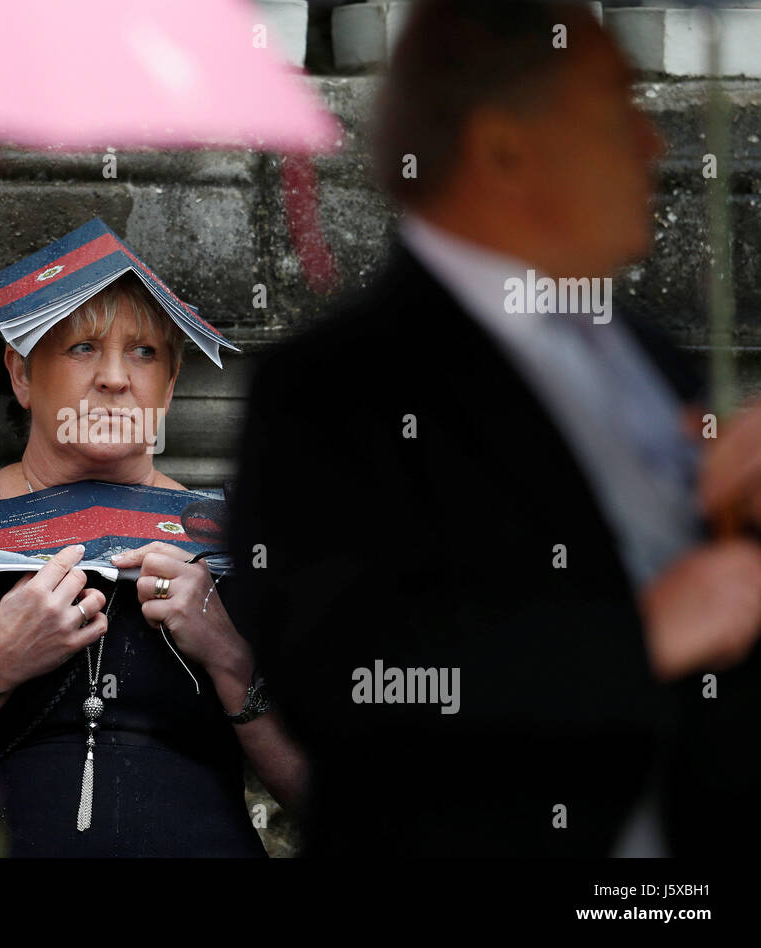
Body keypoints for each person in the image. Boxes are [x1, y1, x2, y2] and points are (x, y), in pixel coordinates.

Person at [226, 0, 761, 857]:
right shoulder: (332, 386)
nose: (653, 145)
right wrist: (640, 636)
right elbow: (352, 678)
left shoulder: (655, 359)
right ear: (505, 150)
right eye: (615, 108)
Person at [0, 257, 307, 856]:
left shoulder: (244, 539)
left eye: (144, 351)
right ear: (21, 374)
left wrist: (226, 654)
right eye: (82, 347)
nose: (116, 378)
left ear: (169, 387)